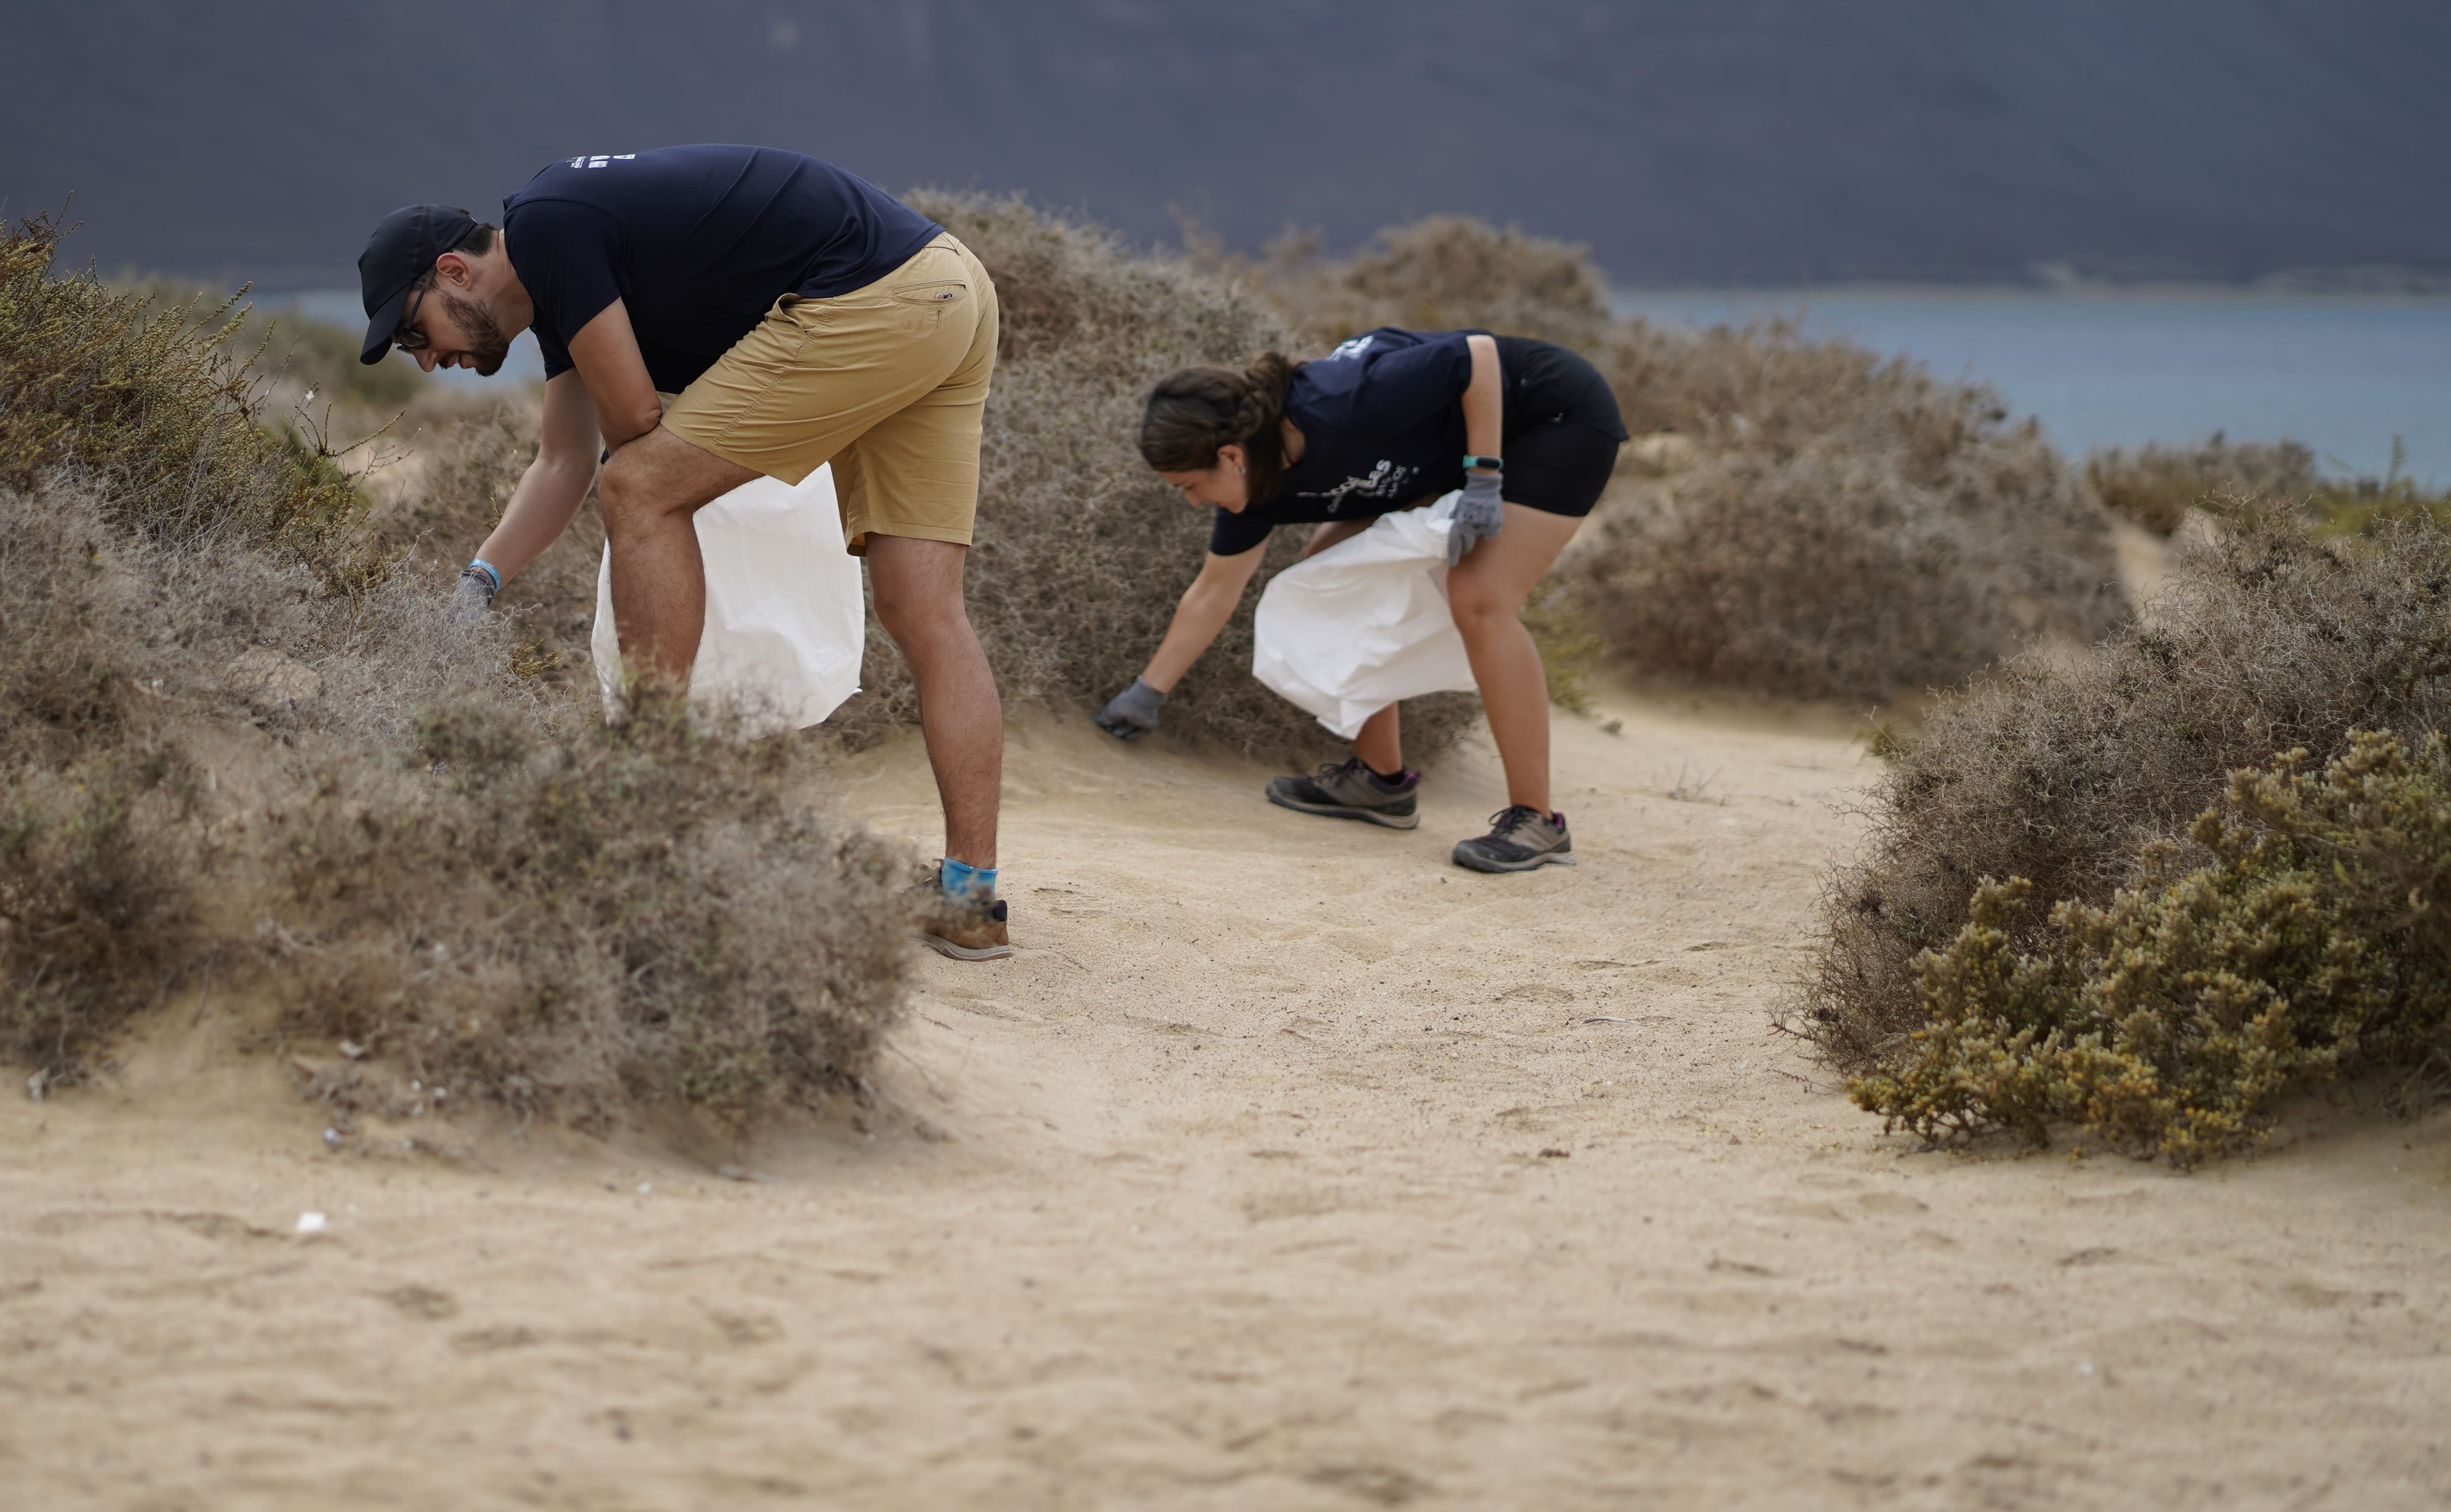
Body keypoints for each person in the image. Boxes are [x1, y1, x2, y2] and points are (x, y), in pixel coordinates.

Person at [353, 146, 1014, 958]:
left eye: (415, 330)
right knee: (925, 610)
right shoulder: (562, 273)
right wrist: (479, 581)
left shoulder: (548, 222)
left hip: (880, 297)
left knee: (637, 487)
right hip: (950, 288)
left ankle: (651, 803)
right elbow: (560, 462)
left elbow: (631, 423)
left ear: (455, 270)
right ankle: (970, 897)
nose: (427, 360)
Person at [1095, 327, 1625, 873]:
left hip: (1552, 413)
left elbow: (1479, 357)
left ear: (1230, 455)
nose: (1191, 502)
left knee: (1480, 598)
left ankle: (1537, 819)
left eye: (1188, 485)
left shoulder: (1339, 400)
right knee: (1329, 579)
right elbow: (1212, 592)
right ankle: (1380, 781)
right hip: (1449, 451)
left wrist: (1484, 476)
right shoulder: (1257, 492)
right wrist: (1146, 693)